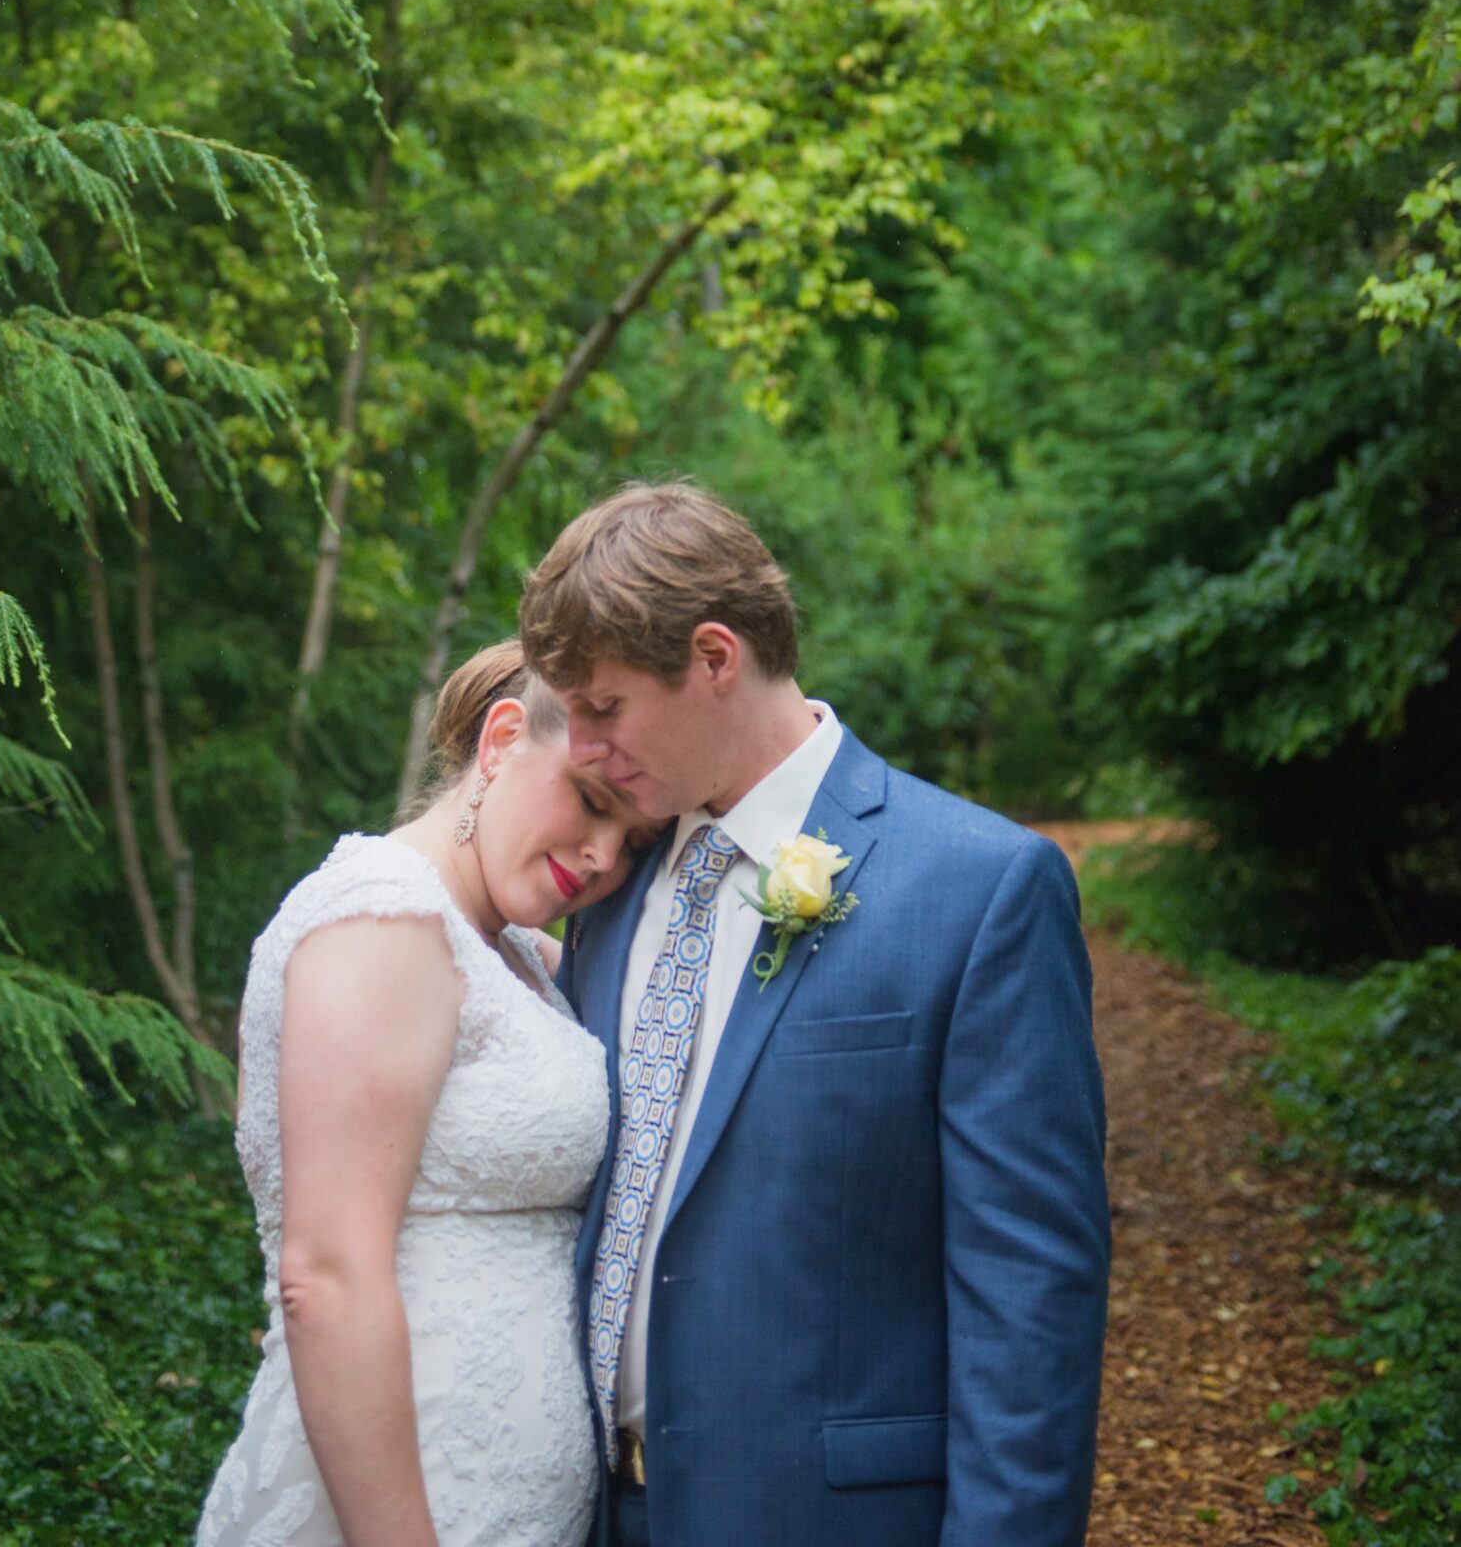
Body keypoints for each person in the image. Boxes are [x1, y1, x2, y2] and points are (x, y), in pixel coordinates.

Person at [518, 481, 1111, 1547]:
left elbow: (1029, 1295)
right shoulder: (608, 885)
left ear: (712, 657)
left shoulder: (977, 887)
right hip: (586, 1516)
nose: (581, 750)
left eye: (603, 708)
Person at [196, 640, 655, 1547]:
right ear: (502, 740)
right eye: (592, 802)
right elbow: (325, 1277)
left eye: (634, 841)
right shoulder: (381, 920)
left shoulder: (515, 953)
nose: (603, 856)